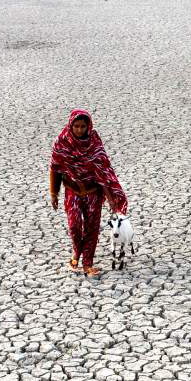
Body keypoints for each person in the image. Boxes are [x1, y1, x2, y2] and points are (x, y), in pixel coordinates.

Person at [49, 110, 128, 278]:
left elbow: (103, 169)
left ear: (88, 126)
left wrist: (110, 197)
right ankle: (76, 253)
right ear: (71, 125)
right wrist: (54, 193)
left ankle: (87, 263)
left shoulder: (94, 143)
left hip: (93, 192)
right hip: (73, 190)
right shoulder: (62, 142)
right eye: (76, 126)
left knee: (92, 228)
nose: (79, 130)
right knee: (74, 226)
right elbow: (55, 168)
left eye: (83, 127)